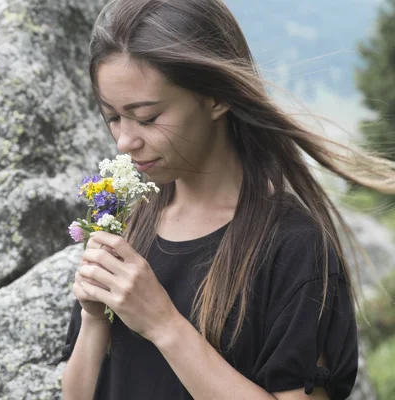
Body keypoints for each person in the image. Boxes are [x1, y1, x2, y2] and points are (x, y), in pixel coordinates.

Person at [54, 0, 395, 399]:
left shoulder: (294, 247)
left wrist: (165, 325)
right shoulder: (126, 219)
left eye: (146, 117)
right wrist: (94, 319)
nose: (125, 142)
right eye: (113, 117)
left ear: (217, 98)